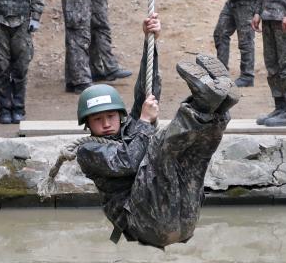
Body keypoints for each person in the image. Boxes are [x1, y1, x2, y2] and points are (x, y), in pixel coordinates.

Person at [74, 13, 239, 249]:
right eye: (98, 120)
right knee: (161, 145)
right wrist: (143, 121)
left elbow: (147, 91)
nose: (107, 123)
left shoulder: (131, 127)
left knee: (193, 156)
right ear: (87, 125)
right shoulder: (89, 150)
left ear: (119, 115)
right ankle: (203, 104)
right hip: (145, 222)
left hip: (183, 217)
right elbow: (128, 161)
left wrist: (150, 42)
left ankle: (218, 109)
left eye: (110, 116)